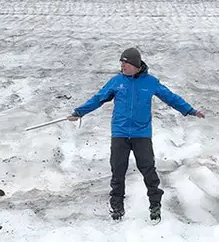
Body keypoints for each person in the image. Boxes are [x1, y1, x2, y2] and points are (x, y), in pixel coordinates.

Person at [68, 47, 205, 222]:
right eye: (121, 63)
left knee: (148, 170)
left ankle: (155, 204)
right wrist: (79, 112)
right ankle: (117, 208)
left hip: (141, 134)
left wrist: (190, 111)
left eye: (125, 63)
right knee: (118, 171)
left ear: (135, 65)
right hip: (120, 133)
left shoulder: (150, 82)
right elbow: (98, 98)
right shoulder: (117, 81)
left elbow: (171, 98)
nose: (122, 66)